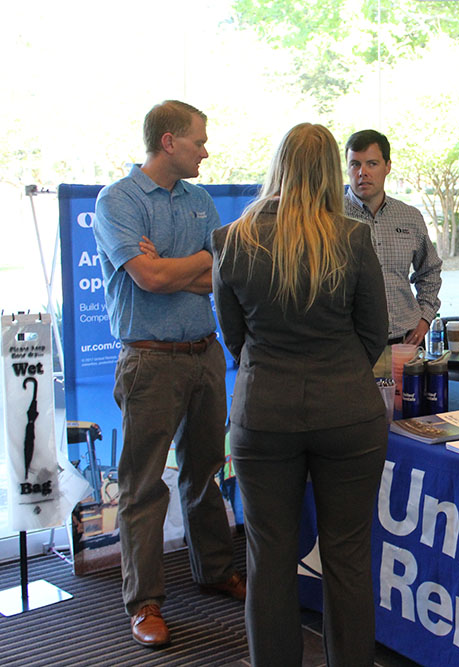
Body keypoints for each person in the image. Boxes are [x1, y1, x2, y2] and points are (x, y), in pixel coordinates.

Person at [212, 123, 389, 666]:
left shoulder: (230, 239)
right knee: (348, 557)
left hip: (263, 413)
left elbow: (234, 338)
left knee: (268, 556)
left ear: (278, 165)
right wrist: (338, 376)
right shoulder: (354, 237)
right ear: (331, 173)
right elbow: (373, 332)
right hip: (349, 415)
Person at [92, 100, 245, 648]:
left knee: (204, 473)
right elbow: (150, 278)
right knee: (142, 486)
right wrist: (191, 264)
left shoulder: (200, 199)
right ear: (168, 142)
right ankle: (145, 603)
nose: (206, 150)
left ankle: (213, 570)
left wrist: (176, 268)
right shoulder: (117, 202)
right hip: (149, 361)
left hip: (205, 354)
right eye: (199, 141)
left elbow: (220, 275)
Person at [343, 129, 442, 377]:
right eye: (354, 164)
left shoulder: (409, 217)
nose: (362, 172)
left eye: (372, 163)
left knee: (409, 415)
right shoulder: (330, 217)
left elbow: (429, 271)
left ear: (387, 166)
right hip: (351, 349)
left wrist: (425, 319)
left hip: (406, 345)